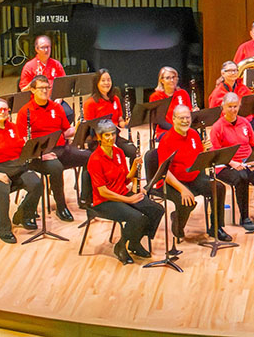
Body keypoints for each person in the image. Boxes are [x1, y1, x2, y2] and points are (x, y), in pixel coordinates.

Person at [88, 120, 163, 264]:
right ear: (99, 137)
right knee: (137, 217)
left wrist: (134, 166)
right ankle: (121, 247)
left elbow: (126, 179)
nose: (111, 138)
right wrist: (129, 200)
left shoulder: (118, 152)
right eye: (107, 135)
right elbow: (103, 192)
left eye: (113, 134)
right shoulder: (95, 159)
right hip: (105, 201)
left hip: (121, 193)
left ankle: (134, 242)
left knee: (156, 210)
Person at [16, 75, 88, 222]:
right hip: (38, 155)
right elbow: (22, 142)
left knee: (90, 157)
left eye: (47, 88)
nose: (45, 91)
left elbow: (66, 131)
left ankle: (87, 198)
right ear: (33, 90)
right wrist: (41, 155)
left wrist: (81, 126)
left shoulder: (56, 107)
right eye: (41, 88)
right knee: (56, 167)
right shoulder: (25, 112)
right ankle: (61, 207)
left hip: (61, 148)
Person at [0, 98, 43, 244]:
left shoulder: (14, 127)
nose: (3, 112)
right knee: (3, 189)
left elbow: (21, 149)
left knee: (36, 183)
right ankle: (5, 230)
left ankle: (23, 214)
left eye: (5, 109)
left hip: (15, 168)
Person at [157, 105, 231, 242]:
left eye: (187, 118)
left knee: (218, 188)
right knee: (187, 201)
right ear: (173, 119)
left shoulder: (193, 134)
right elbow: (165, 173)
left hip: (192, 177)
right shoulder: (166, 140)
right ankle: (178, 226)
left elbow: (196, 158)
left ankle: (216, 228)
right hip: (172, 181)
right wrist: (183, 189)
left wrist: (205, 152)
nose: (185, 121)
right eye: (181, 118)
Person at [208, 93, 254, 230]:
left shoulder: (244, 122)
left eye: (235, 107)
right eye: (230, 107)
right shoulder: (217, 127)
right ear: (223, 107)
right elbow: (217, 154)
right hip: (225, 165)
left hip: (246, 162)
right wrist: (232, 163)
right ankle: (244, 217)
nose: (233, 110)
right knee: (241, 178)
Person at [82, 69, 138, 159]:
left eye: (109, 80)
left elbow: (119, 120)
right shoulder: (90, 103)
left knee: (134, 152)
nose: (106, 83)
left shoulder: (115, 99)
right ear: (97, 83)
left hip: (114, 135)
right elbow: (88, 127)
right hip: (97, 139)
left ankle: (132, 173)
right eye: (103, 80)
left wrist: (126, 123)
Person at [148, 66, 192, 141]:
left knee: (197, 136)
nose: (172, 80)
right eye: (168, 78)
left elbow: (189, 112)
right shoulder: (155, 97)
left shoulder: (182, 93)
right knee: (176, 139)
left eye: (174, 77)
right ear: (162, 80)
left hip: (184, 128)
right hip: (165, 131)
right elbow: (158, 120)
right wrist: (177, 129)